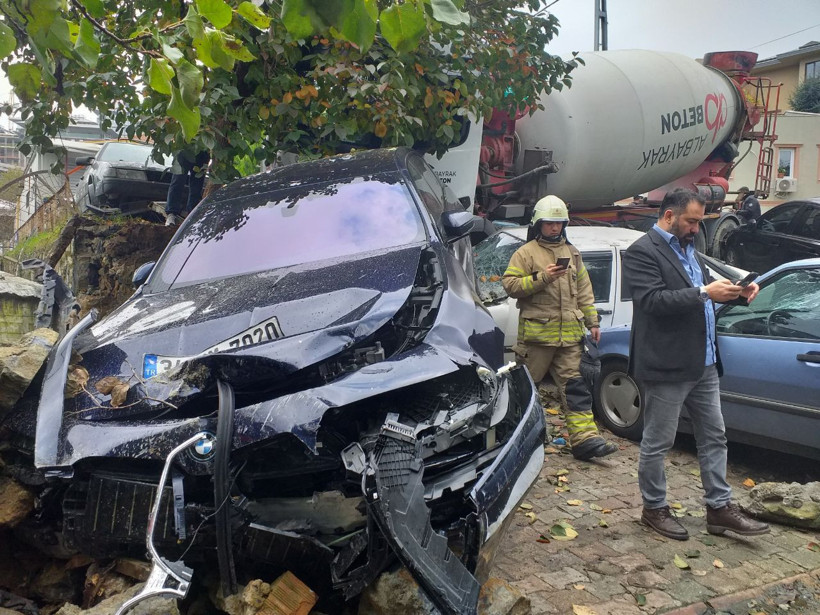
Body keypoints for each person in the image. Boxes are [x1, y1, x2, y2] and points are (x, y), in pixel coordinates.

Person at [622, 188, 770, 541]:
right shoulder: (641, 252)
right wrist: (706, 292)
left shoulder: (692, 252)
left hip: (703, 362)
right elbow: (653, 301)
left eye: (699, 221)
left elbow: (704, 302)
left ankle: (719, 509)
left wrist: (736, 293)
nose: (695, 228)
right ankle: (654, 508)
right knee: (659, 441)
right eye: (691, 221)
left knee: (714, 435)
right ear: (669, 216)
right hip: (667, 365)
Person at [502, 195, 618, 461]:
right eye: (550, 223)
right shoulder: (526, 253)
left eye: (559, 223)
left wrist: (593, 322)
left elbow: (584, 292)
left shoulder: (572, 253)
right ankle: (517, 441)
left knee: (575, 388)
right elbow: (510, 285)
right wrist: (543, 278)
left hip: (569, 338)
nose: (555, 228)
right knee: (526, 391)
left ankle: (585, 440)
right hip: (537, 338)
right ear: (539, 224)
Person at [165, 149, 210, 226]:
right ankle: (171, 214)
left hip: (202, 151)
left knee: (197, 184)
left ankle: (192, 214)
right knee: (178, 180)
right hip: (184, 148)